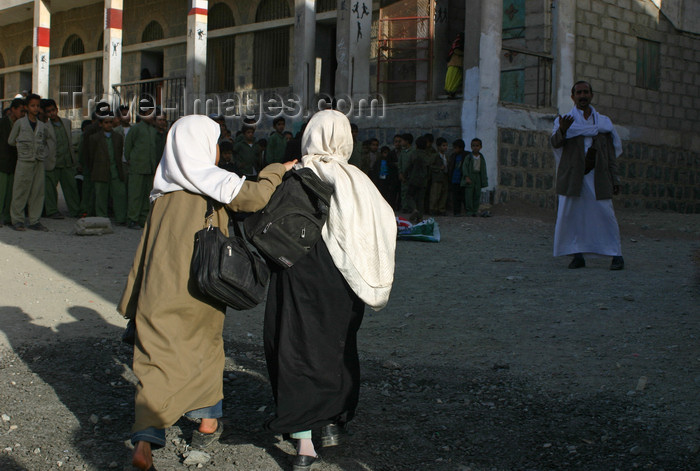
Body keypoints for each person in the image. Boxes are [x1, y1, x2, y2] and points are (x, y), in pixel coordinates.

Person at [118, 115, 295, 470]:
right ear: (202, 146)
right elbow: (256, 197)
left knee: (155, 359)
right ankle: (207, 422)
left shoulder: (162, 192)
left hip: (158, 290)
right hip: (202, 288)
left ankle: (145, 439)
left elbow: (144, 252)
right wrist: (278, 169)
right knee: (205, 349)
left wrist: (132, 301)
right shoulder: (214, 181)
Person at [264, 110, 396, 471]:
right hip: (341, 281)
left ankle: (304, 442)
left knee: (296, 348)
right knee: (336, 346)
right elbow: (383, 227)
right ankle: (333, 422)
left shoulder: (294, 174)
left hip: (297, 277)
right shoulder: (359, 182)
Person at [552, 80, 624, 270]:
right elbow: (555, 143)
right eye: (579, 93)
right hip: (573, 177)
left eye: (586, 92)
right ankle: (577, 255)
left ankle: (616, 255)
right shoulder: (565, 120)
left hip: (598, 176)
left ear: (591, 95)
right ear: (572, 97)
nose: (582, 96)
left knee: (605, 214)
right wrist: (563, 130)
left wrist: (615, 178)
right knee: (572, 216)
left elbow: (610, 154)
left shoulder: (603, 123)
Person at [7, 93, 55, 231]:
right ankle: (17, 220)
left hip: (38, 161)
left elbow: (47, 139)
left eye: (37, 106)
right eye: (32, 106)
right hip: (24, 161)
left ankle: (34, 220)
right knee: (20, 190)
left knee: (37, 192)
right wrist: (22, 147)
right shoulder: (20, 123)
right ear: (27, 107)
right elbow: (11, 141)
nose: (35, 108)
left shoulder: (41, 125)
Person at [42, 99, 81, 218]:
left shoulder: (67, 122)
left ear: (57, 109)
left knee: (71, 187)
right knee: (50, 189)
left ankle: (76, 211)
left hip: (67, 161)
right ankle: (52, 211)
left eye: (53, 110)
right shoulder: (45, 127)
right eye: (48, 112)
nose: (52, 113)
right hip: (52, 161)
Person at [87, 113, 127, 224]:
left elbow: (119, 155)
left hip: (115, 170)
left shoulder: (118, 137)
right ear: (100, 124)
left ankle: (121, 218)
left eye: (110, 122)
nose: (109, 125)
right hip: (100, 171)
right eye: (106, 122)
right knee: (101, 197)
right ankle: (102, 219)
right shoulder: (94, 138)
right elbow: (91, 156)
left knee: (120, 195)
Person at [124, 104, 158, 229]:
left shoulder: (153, 130)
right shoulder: (136, 129)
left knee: (146, 195)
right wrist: (130, 160)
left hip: (149, 167)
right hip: (137, 166)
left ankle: (144, 218)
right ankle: (132, 218)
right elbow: (128, 146)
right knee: (135, 195)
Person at [0, 98, 25, 226]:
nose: (23, 114)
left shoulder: (22, 125)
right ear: (12, 110)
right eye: (21, 110)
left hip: (15, 163)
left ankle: (8, 217)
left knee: (11, 193)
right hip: (2, 163)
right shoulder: (2, 123)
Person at [461, 138, 488, 217]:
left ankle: (475, 210)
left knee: (477, 194)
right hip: (470, 175)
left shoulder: (481, 157)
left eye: (477, 146)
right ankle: (469, 211)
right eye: (473, 146)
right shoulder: (468, 157)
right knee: (469, 194)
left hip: (478, 176)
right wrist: (466, 176)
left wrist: (483, 180)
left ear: (480, 147)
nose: (475, 147)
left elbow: (483, 169)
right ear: (471, 147)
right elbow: (464, 167)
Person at [429, 137, 449, 215]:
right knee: (435, 194)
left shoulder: (446, 156)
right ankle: (433, 209)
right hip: (437, 178)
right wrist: (438, 168)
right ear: (438, 147)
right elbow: (430, 165)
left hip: (444, 177)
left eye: (446, 145)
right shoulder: (435, 156)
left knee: (443, 194)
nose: (445, 147)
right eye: (443, 145)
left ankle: (441, 209)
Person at [446, 139, 466, 216]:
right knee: (455, 197)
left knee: (463, 197)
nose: (454, 150)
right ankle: (456, 212)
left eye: (456, 148)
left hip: (462, 180)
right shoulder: (453, 156)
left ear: (461, 148)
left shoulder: (466, 156)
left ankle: (466, 211)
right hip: (454, 179)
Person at [445, 33, 464, 98]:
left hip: (456, 64)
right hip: (455, 63)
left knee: (455, 79)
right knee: (452, 79)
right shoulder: (458, 42)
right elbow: (456, 50)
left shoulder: (458, 42)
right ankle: (451, 92)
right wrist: (464, 54)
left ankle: (451, 92)